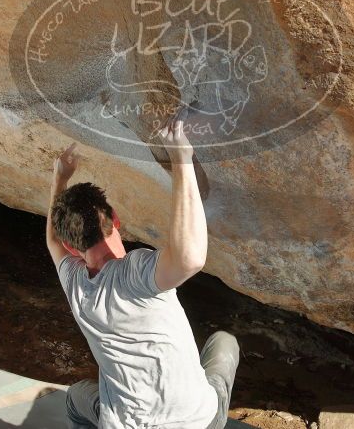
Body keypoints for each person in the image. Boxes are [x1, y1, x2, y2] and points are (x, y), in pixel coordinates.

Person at [45, 112, 240, 428]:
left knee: (76, 397)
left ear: (71, 247)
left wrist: (59, 180)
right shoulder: (135, 272)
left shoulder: (76, 285)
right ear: (116, 219)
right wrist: (182, 158)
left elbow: (53, 241)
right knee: (223, 343)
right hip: (197, 422)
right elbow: (189, 258)